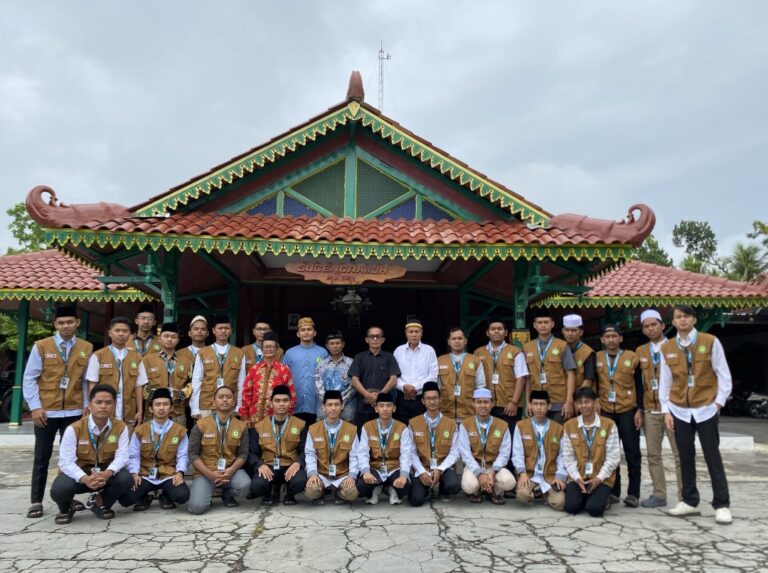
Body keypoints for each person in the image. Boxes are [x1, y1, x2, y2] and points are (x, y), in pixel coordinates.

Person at [661, 304, 733, 525]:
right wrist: (666, 410)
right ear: (672, 322)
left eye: (686, 316)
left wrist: (718, 403)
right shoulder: (668, 347)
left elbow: (723, 374)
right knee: (685, 456)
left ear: (694, 319)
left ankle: (722, 504)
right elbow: (665, 381)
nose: (682, 320)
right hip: (679, 410)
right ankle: (689, 501)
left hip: (705, 408)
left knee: (712, 456)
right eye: (678, 317)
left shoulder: (710, 341)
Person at [23, 305, 93, 519]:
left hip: (73, 411)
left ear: (77, 323)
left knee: (71, 457)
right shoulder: (42, 346)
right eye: (61, 323)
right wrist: (35, 407)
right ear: (55, 324)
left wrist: (86, 404)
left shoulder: (86, 347)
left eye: (69, 322)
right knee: (42, 456)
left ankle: (67, 495)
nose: (66, 326)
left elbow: (84, 381)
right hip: (46, 412)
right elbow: (29, 378)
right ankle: (36, 500)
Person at [49, 384, 133, 524]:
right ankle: (65, 508)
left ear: (114, 405)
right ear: (90, 405)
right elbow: (65, 462)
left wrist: (107, 473)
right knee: (60, 488)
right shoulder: (74, 429)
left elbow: (122, 456)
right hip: (81, 475)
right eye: (98, 402)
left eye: (108, 402)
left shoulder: (121, 427)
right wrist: (85, 478)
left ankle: (101, 503)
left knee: (125, 478)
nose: (103, 406)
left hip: (104, 475)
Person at [636, 309, 682, 509]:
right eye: (646, 326)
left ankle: (684, 494)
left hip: (673, 410)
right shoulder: (640, 351)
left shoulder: (676, 347)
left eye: (654, 324)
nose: (650, 328)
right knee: (653, 455)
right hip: (650, 410)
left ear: (663, 325)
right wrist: (639, 408)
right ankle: (659, 493)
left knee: (680, 454)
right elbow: (638, 383)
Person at [594, 324, 643, 507]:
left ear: (620, 338)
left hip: (628, 410)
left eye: (615, 336)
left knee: (632, 453)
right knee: (608, 453)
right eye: (607, 337)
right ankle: (613, 492)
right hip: (606, 410)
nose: (611, 340)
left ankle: (633, 493)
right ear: (602, 340)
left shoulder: (632, 357)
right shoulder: (597, 357)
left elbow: (640, 384)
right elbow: (593, 382)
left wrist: (640, 409)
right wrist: (595, 400)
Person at [122, 388, 189, 511]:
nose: (161, 408)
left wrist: (180, 472)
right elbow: (133, 455)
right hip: (145, 474)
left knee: (182, 495)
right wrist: (134, 473)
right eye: (157, 405)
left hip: (168, 474)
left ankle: (165, 495)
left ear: (171, 408)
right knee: (125, 499)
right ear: (151, 409)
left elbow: (183, 455)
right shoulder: (140, 430)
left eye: (165, 404)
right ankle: (144, 498)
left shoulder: (180, 431)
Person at [187, 385, 250, 514]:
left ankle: (227, 493)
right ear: (214, 403)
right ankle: (207, 493)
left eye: (229, 397)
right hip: (206, 472)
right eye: (221, 397)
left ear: (234, 402)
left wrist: (231, 470)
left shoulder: (241, 426)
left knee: (245, 486)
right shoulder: (200, 425)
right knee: (197, 508)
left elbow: (243, 453)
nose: (225, 400)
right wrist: (210, 474)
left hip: (230, 471)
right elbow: (193, 454)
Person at [561, 387, 620, 517]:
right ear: (575, 405)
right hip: (579, 477)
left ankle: (601, 497)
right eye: (580, 403)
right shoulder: (569, 426)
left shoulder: (609, 425)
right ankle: (588, 497)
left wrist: (599, 478)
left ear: (595, 402)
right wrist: (577, 478)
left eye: (587, 402)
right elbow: (568, 457)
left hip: (601, 478)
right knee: (571, 507)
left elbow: (613, 457)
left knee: (594, 510)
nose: (584, 406)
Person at [249, 385, 308, 506]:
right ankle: (268, 493)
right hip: (269, 466)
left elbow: (306, 450)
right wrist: (259, 465)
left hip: (290, 465)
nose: (281, 404)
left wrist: (298, 463)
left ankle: (289, 494)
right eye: (277, 400)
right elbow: (251, 452)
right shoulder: (259, 426)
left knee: (300, 481)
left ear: (290, 403)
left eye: (285, 400)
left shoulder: (300, 425)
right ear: (271, 403)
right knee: (257, 485)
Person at [457, 388, 516, 504]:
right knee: (469, 486)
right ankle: (476, 491)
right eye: (479, 402)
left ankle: (496, 492)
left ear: (492, 404)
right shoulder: (465, 424)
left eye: (486, 402)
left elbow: (505, 453)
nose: (482, 406)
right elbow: (465, 453)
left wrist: (493, 471)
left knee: (510, 482)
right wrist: (479, 472)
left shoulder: (502, 425)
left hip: (494, 466)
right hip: (474, 465)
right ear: (473, 404)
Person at [408, 382, 461, 506]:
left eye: (435, 398)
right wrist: (421, 471)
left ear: (440, 399)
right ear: (423, 401)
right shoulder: (413, 423)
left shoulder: (451, 424)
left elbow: (455, 452)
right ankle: (427, 488)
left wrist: (440, 469)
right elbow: (411, 451)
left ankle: (443, 489)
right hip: (423, 467)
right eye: (428, 399)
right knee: (415, 500)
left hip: (443, 467)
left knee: (454, 485)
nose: (432, 402)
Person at [512, 390, 566, 511]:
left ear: (549, 406)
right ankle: (536, 492)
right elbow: (517, 453)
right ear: (530, 405)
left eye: (542, 404)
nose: (538, 408)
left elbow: (562, 455)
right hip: (530, 475)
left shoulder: (558, 429)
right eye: (535, 404)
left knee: (560, 503)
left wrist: (560, 476)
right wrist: (522, 473)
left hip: (550, 476)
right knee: (522, 496)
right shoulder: (521, 426)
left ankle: (544, 494)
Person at [86, 316, 144, 429]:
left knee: (126, 443)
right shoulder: (98, 355)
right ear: (110, 333)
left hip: (128, 411)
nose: (121, 334)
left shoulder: (137, 358)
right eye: (117, 330)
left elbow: (139, 386)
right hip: (104, 411)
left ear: (130, 335)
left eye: (125, 331)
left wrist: (140, 411)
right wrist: (91, 407)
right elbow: (92, 384)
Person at [304, 390, 360, 505]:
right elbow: (310, 454)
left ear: (342, 406)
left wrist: (352, 476)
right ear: (323, 407)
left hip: (342, 475)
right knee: (311, 491)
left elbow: (355, 456)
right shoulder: (313, 429)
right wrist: (313, 474)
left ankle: (339, 493)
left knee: (352, 493)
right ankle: (321, 492)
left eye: (336, 404)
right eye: (329, 405)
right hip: (321, 474)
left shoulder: (351, 429)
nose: (333, 408)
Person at [356, 393, 413, 505]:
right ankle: (375, 489)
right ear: (376, 409)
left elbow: (406, 453)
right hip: (375, 467)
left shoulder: (402, 428)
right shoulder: (367, 427)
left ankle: (393, 490)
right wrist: (366, 472)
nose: (385, 409)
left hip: (394, 468)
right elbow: (362, 452)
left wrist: (403, 475)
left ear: (394, 408)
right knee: (362, 485)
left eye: (388, 405)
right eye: (381, 406)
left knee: (406, 485)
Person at [473, 317, 527, 429]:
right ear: (487, 333)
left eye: (500, 329)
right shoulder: (478, 352)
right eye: (493, 329)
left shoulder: (515, 352)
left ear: (506, 332)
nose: (496, 331)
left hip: (509, 406)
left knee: (509, 438)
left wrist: (514, 402)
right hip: (486, 404)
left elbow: (521, 378)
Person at [136, 322, 194, 426]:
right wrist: (160, 397)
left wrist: (182, 393)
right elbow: (142, 385)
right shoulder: (147, 360)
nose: (169, 339)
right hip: (153, 413)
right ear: (159, 339)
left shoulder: (186, 361)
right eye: (166, 336)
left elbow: (191, 383)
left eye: (173, 337)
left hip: (177, 414)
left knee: (177, 441)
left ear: (178, 340)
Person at [524, 309, 576, 423]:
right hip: (537, 402)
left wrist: (569, 402)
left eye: (546, 322)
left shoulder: (562, 346)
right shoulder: (528, 347)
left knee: (557, 437)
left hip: (558, 402)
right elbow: (527, 378)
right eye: (540, 322)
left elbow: (570, 374)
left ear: (552, 324)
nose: (543, 325)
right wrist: (528, 402)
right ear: (534, 325)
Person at [190, 314, 242, 420]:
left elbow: (241, 382)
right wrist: (194, 408)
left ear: (231, 330)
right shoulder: (203, 352)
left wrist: (239, 406)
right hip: (206, 404)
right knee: (207, 435)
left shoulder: (239, 353)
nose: (223, 331)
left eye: (226, 328)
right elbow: (196, 381)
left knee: (228, 436)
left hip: (230, 404)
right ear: (213, 330)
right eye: (220, 328)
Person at [239, 331, 296, 425]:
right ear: (262, 349)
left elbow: (292, 395)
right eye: (265, 347)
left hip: (276, 421)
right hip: (254, 421)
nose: (268, 349)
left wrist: (287, 415)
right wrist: (244, 416)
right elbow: (246, 394)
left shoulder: (284, 370)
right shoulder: (254, 369)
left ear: (277, 348)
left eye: (271, 347)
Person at [349, 326, 401, 429]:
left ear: (383, 340)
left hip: (383, 406)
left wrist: (380, 396)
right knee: (362, 436)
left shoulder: (389, 357)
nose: (375, 339)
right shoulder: (359, 357)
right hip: (362, 407)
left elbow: (393, 379)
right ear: (366, 339)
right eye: (372, 336)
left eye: (378, 336)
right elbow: (354, 380)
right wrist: (367, 395)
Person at [283, 316, 328, 425]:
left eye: (309, 329)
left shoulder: (323, 353)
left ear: (315, 333)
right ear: (298, 334)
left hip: (316, 403)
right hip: (295, 402)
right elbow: (283, 377)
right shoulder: (290, 353)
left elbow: (327, 378)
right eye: (303, 330)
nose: (306, 332)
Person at [392, 318, 438, 423]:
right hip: (402, 398)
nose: (414, 334)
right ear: (406, 333)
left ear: (421, 333)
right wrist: (404, 387)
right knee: (402, 429)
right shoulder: (398, 351)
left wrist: (414, 388)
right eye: (411, 332)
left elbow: (433, 375)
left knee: (421, 429)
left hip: (421, 399)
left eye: (417, 332)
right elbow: (393, 375)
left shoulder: (429, 350)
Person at [438, 327, 486, 425]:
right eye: (454, 339)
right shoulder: (440, 360)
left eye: (460, 338)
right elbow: (437, 388)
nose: (457, 341)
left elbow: (480, 387)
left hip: (469, 414)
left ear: (465, 341)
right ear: (449, 342)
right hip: (445, 414)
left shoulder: (475, 360)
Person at [314, 330, 355, 422]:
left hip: (347, 406)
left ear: (343, 344)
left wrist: (340, 400)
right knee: (322, 432)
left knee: (347, 433)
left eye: (337, 343)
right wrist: (327, 401)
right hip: (324, 406)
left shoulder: (352, 363)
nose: (335, 346)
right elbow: (318, 385)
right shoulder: (321, 364)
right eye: (332, 344)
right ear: (327, 346)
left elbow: (354, 385)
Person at [561, 314, 596, 389]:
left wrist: (575, 398)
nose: (570, 334)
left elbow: (588, 381)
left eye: (574, 330)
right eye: (567, 330)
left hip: (580, 396)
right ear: (562, 331)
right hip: (561, 395)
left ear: (581, 332)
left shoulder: (588, 352)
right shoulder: (560, 348)